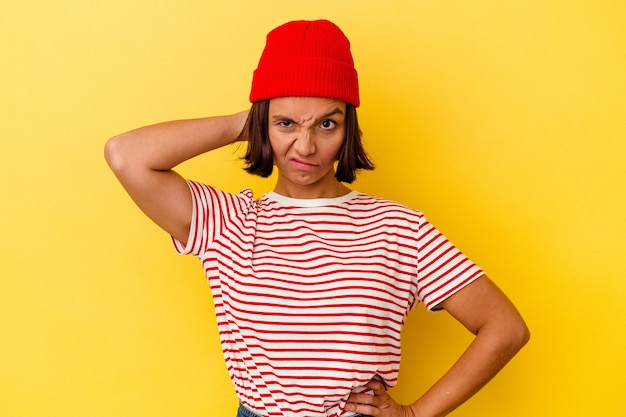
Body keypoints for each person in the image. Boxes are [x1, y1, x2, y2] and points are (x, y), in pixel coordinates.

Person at [105, 19, 529, 417]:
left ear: (348, 130)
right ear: (263, 125)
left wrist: (416, 413)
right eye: (285, 123)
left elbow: (504, 327)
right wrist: (252, 119)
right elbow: (126, 155)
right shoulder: (227, 220)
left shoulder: (400, 227)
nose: (304, 146)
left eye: (327, 123)